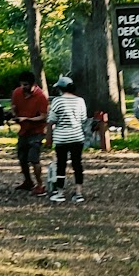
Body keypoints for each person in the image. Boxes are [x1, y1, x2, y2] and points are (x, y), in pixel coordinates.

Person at [46, 74, 88, 203]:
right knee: (77, 164)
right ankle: (79, 192)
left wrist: (49, 139)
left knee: (61, 165)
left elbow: (52, 120)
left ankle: (60, 193)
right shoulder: (80, 100)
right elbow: (83, 119)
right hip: (77, 136)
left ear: (60, 88)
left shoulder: (57, 101)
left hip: (62, 138)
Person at [10, 70, 49, 194]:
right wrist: (14, 114)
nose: (23, 87)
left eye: (26, 85)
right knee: (22, 158)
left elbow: (43, 116)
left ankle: (40, 184)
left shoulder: (41, 97)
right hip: (23, 131)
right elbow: (14, 107)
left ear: (32, 84)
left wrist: (28, 119)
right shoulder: (17, 92)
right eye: (22, 84)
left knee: (33, 158)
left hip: (36, 131)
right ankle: (28, 181)